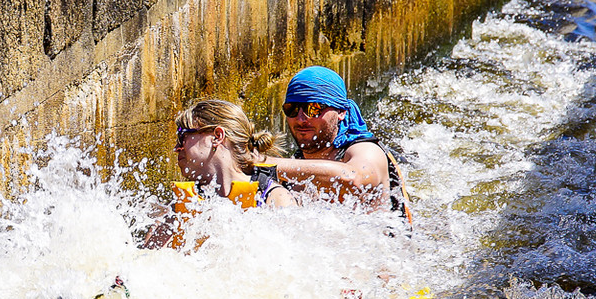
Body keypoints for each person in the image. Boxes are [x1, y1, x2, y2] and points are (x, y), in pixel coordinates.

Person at [143, 99, 295, 250]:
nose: (177, 148)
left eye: (182, 136)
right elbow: (146, 264)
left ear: (217, 136)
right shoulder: (180, 206)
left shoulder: (275, 199)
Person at [266, 66, 412, 218]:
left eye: (313, 109)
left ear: (341, 111)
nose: (301, 119)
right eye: (292, 109)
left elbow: (353, 180)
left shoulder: (367, 151)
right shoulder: (292, 170)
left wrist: (267, 164)